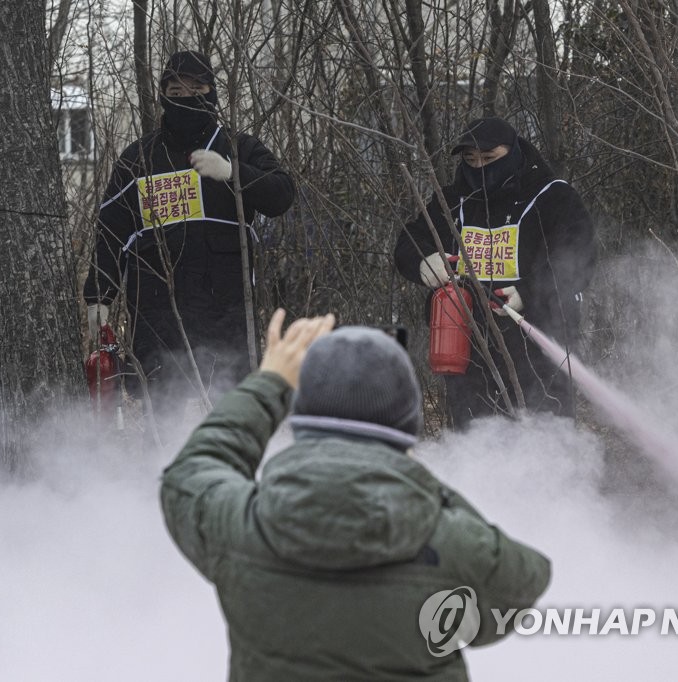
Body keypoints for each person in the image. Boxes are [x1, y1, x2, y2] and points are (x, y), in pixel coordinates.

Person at [161, 310, 551, 680]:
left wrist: (270, 382)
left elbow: (192, 471)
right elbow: (525, 578)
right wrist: (413, 476)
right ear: (405, 425)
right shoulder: (449, 543)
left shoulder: (242, 526)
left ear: (301, 418)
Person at [83, 50, 295, 407]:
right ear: (163, 95)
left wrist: (233, 173)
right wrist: (99, 296)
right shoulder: (138, 158)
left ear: (211, 93)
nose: (184, 99)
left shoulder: (237, 147)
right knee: (162, 417)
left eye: (195, 89)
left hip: (225, 318)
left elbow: (281, 195)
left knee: (227, 416)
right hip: (155, 318)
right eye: (176, 92)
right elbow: (111, 231)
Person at [394, 116, 596, 430]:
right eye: (471, 160)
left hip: (538, 350)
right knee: (476, 445)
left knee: (546, 441)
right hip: (466, 351)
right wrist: (425, 260)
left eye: (489, 159)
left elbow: (578, 254)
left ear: (513, 153)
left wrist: (527, 292)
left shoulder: (552, 197)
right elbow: (410, 241)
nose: (479, 167)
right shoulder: (451, 201)